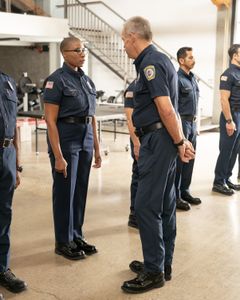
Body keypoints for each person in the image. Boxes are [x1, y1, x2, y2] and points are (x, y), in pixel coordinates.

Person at [121, 16, 195, 294]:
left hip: (157, 139)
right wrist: (180, 140)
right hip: (164, 138)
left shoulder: (151, 64)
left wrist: (179, 141)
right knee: (164, 204)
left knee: (145, 206)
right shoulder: (158, 60)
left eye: (124, 40)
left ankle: (153, 272)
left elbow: (165, 109)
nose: (124, 46)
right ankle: (162, 264)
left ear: (132, 37)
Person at [43, 37, 101, 261]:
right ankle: (63, 241)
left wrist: (96, 148)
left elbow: (92, 117)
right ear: (64, 53)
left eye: (84, 49)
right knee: (65, 191)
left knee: (80, 191)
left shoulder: (87, 81)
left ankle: (76, 235)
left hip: (85, 138)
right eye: (77, 50)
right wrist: (58, 155)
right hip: (66, 139)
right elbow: (50, 120)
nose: (82, 53)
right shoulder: (56, 81)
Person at [0, 71, 27, 294]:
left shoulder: (7, 81)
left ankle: (2, 268)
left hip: (7, 154)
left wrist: (17, 164)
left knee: (4, 214)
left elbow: (14, 123)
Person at [175, 47, 201, 211]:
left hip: (192, 123)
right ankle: (176, 195)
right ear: (181, 60)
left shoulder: (193, 79)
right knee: (180, 160)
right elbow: (174, 107)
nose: (194, 60)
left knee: (190, 159)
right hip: (182, 123)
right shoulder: (177, 79)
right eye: (190, 57)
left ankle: (185, 191)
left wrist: (196, 126)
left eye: (193, 57)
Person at [212, 44, 240, 195]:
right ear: (235, 55)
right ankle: (218, 182)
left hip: (239, 116)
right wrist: (229, 121)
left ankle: (227, 178)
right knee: (226, 150)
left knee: (235, 150)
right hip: (232, 116)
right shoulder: (228, 74)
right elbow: (224, 100)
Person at [124, 80, 139, 228]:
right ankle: (134, 214)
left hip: (152, 139)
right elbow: (130, 119)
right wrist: (136, 143)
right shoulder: (133, 88)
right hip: (140, 138)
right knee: (139, 175)